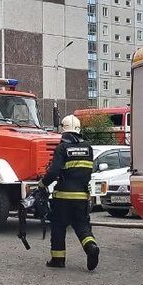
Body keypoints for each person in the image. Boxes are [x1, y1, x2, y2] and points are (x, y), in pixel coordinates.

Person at [40, 115, 100, 271]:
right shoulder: (88, 147)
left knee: (58, 227)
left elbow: (53, 172)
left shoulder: (62, 148)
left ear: (63, 129)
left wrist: (42, 183)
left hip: (63, 197)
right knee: (82, 226)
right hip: (81, 196)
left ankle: (58, 259)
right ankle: (91, 247)